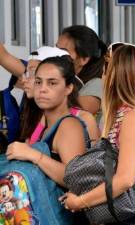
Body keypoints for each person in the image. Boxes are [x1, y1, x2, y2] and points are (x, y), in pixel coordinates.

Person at [63, 45, 135, 225]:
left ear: (113, 75)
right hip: (127, 213)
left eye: (104, 71)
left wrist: (81, 201)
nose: (102, 77)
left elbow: (125, 179)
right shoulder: (123, 114)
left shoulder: (132, 118)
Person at [6, 56, 87, 187]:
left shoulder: (69, 125)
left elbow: (76, 180)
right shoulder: (46, 122)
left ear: (69, 88)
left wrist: (32, 154)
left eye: (52, 83)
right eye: (38, 82)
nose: (42, 89)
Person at [18, 46, 99, 146]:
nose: (24, 79)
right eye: (27, 72)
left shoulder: (84, 119)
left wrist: (36, 156)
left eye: (33, 72)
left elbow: (93, 160)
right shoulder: (38, 115)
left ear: (68, 87)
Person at [56, 25, 107, 115]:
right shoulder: (68, 80)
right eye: (55, 49)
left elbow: (72, 115)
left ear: (84, 59)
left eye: (63, 51)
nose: (55, 55)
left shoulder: (97, 84)